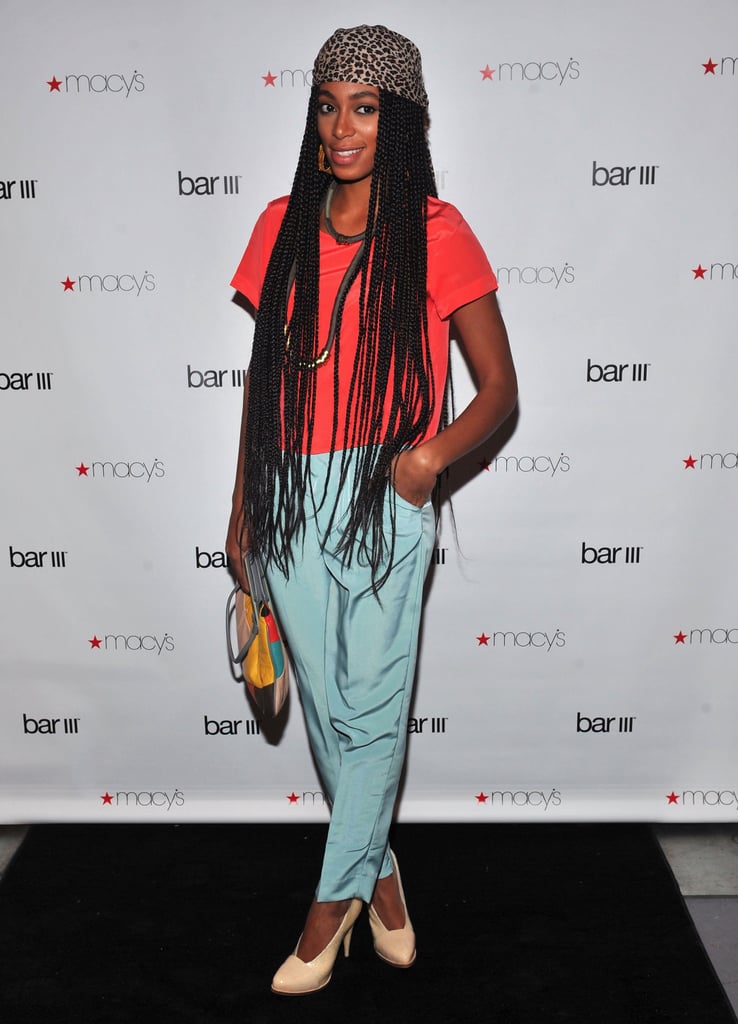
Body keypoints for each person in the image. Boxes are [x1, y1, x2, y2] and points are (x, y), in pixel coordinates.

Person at [226, 24, 517, 995]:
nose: (342, 125)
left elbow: (500, 391)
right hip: (290, 488)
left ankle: (326, 911)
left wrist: (430, 454)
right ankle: (380, 876)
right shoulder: (277, 226)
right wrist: (242, 510)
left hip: (386, 494)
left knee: (376, 698)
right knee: (330, 705)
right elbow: (262, 385)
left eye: (364, 106)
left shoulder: (438, 233)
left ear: (398, 123)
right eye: (327, 103)